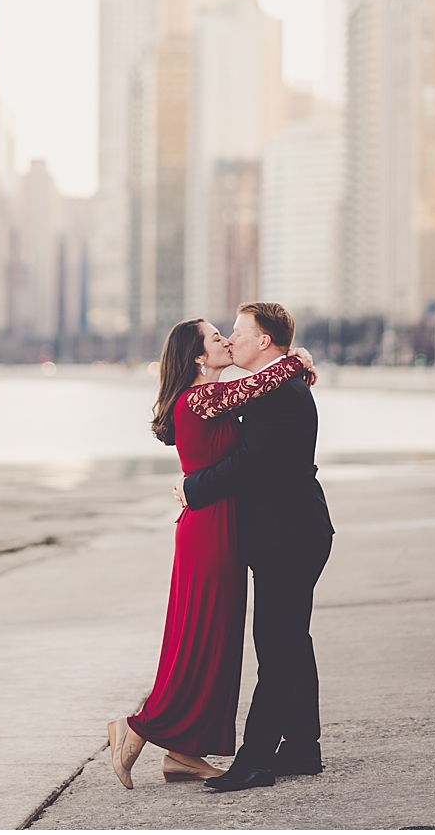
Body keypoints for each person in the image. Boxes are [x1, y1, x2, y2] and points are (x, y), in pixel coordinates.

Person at [106, 318, 312, 790]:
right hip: (207, 530)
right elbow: (265, 378)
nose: (226, 341)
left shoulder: (217, 398)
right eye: (216, 338)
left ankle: (183, 753)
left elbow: (260, 392)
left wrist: (295, 366)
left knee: (216, 641)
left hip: (222, 526)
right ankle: (136, 729)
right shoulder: (200, 397)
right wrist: (296, 360)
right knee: (199, 639)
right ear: (199, 357)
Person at [173, 301, 336, 793]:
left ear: (263, 341)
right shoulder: (276, 385)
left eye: (239, 332)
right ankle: (303, 746)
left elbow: (248, 462)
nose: (232, 340)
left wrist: (192, 488)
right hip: (291, 528)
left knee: (277, 645)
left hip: (288, 532)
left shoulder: (277, 395)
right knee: (292, 640)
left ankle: (257, 759)